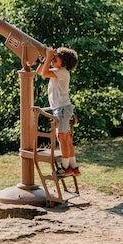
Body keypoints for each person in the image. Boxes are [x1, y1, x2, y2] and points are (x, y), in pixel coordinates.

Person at [36, 46, 80, 176]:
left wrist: (49, 57)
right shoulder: (59, 71)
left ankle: (65, 168)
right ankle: (73, 167)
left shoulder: (63, 72)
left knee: (62, 137)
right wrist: (44, 60)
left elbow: (43, 73)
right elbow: (40, 72)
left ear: (64, 63)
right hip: (61, 109)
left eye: (56, 58)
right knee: (66, 138)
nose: (54, 59)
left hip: (61, 109)